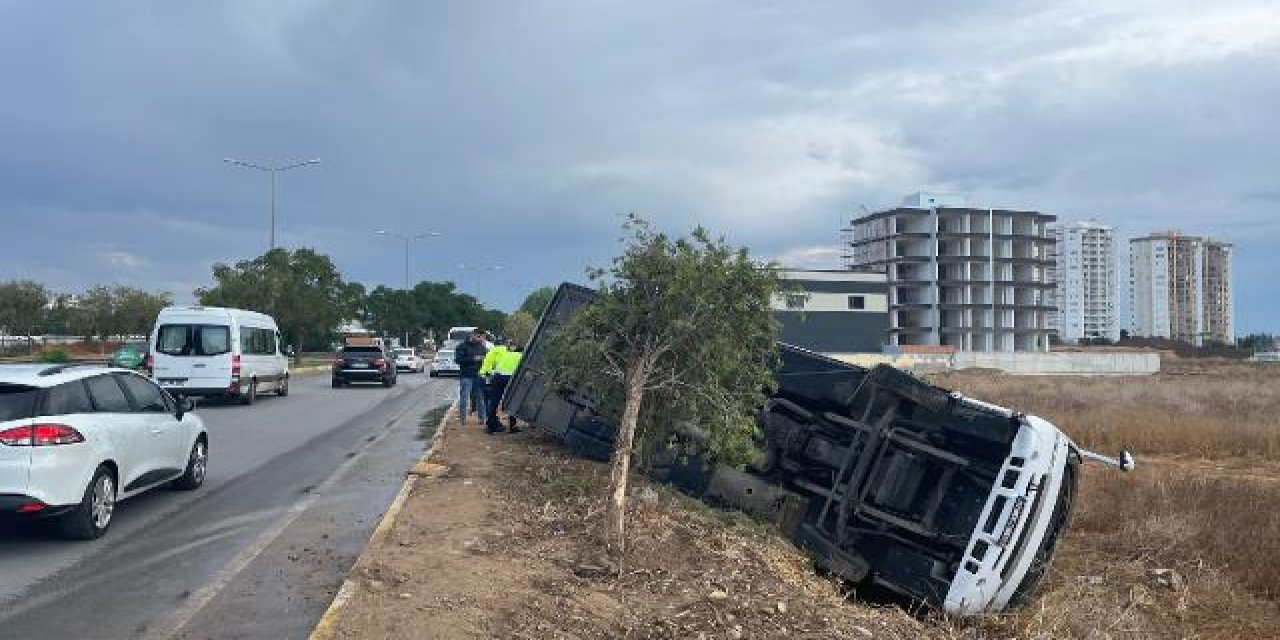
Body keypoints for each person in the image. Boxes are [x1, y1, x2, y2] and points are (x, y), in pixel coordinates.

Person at [481, 340, 523, 434]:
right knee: (513, 401)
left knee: (494, 401)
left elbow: (492, 364)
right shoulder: (520, 356)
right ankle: (512, 426)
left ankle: (491, 425)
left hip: (498, 378)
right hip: (511, 379)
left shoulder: (505, 354)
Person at [454, 328, 489, 425]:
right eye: (477, 336)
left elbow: (487, 359)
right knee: (464, 398)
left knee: (480, 398)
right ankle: (462, 420)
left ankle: (482, 419)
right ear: (472, 335)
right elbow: (458, 360)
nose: (479, 338)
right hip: (466, 376)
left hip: (478, 376)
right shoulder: (462, 346)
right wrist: (473, 358)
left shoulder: (481, 347)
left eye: (480, 337)